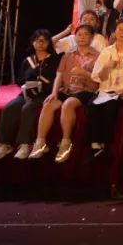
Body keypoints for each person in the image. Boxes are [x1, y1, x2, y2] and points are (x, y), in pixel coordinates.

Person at [30, 25, 99, 161]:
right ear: (75, 37)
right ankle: (40, 142)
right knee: (48, 103)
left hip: (86, 90)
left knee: (68, 104)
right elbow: (59, 76)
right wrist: (54, 92)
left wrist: (84, 73)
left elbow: (100, 79)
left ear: (92, 38)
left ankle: (65, 142)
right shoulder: (68, 55)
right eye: (79, 34)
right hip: (67, 89)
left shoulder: (98, 56)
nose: (82, 37)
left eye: (86, 34)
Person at [0, 29, 59, 161]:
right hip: (26, 93)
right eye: (38, 40)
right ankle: (4, 144)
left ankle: (25, 144)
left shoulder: (54, 60)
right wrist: (28, 85)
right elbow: (20, 80)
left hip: (44, 94)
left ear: (49, 43)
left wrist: (40, 85)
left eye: (44, 41)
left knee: (28, 108)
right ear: (33, 42)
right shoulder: (28, 60)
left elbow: (56, 79)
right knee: (10, 107)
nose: (40, 43)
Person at [86, 19, 123, 159]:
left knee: (111, 106)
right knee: (92, 106)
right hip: (105, 90)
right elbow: (98, 77)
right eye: (120, 29)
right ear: (114, 32)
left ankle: (106, 144)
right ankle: (94, 144)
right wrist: (107, 67)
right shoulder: (107, 51)